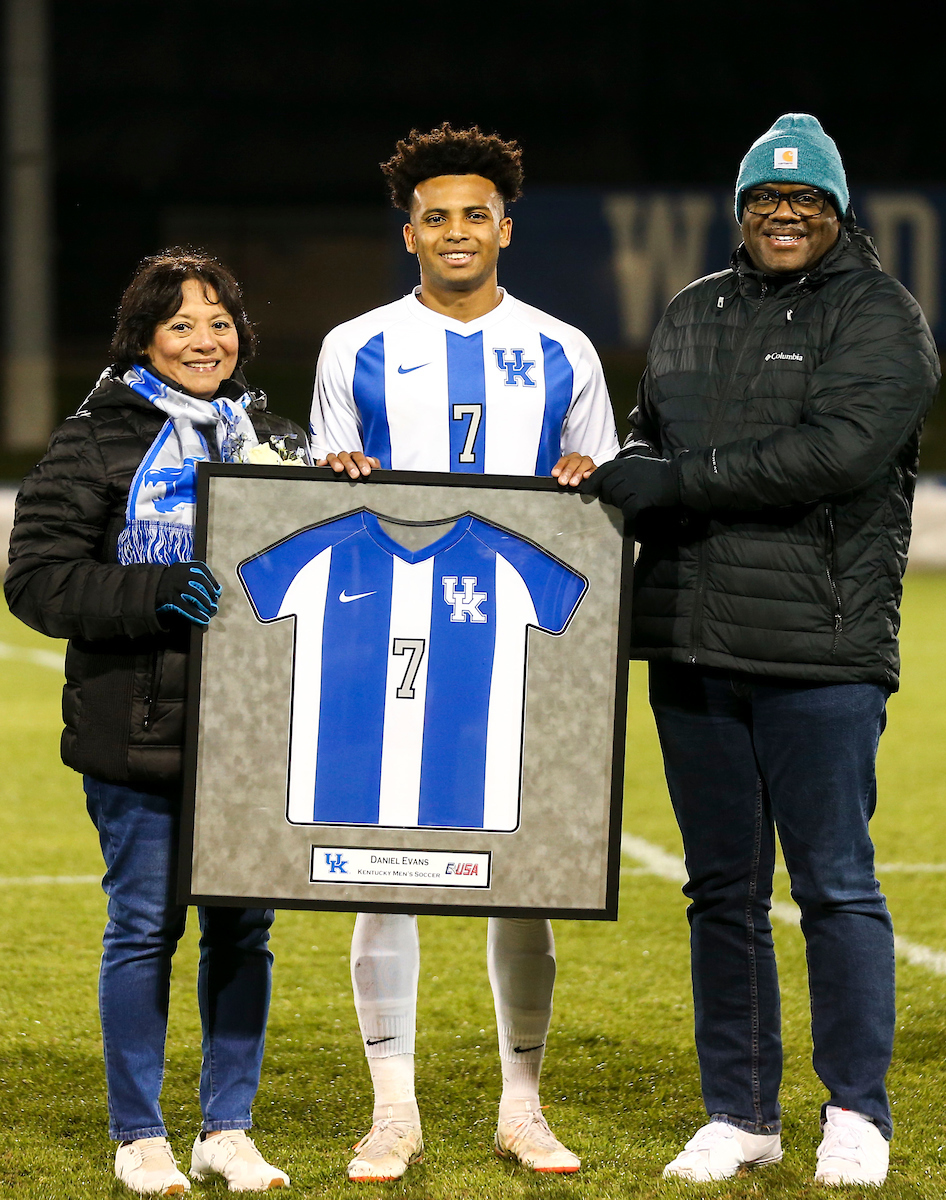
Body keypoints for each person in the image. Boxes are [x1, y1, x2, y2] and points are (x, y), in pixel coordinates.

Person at [583, 113, 940, 1187]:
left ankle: (857, 1114)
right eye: (766, 199)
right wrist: (627, 465)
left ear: (837, 212)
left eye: (806, 199)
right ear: (741, 210)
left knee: (835, 886)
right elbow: (651, 434)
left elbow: (836, 454)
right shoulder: (691, 310)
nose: (785, 214)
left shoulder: (881, 315)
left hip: (818, 651)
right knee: (722, 893)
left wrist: (677, 482)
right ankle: (740, 1114)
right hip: (691, 643)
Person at [309, 123, 620, 1181]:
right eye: (434, 216)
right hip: (390, 644)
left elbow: (602, 498)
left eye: (474, 214)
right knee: (382, 873)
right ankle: (392, 1111)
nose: (455, 230)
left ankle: (521, 1108)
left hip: (516, 648)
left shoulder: (564, 349)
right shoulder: (353, 345)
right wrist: (335, 475)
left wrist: (587, 478)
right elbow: (319, 495)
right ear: (409, 234)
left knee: (522, 877)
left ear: (505, 229)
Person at [5, 250, 309, 1195]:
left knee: (243, 931)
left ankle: (228, 1129)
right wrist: (154, 590)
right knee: (143, 928)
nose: (204, 340)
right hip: (137, 727)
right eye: (181, 324)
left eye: (219, 322)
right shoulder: (94, 438)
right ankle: (139, 1135)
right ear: (143, 340)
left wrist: (341, 479)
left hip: (254, 729)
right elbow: (36, 580)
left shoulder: (271, 435)